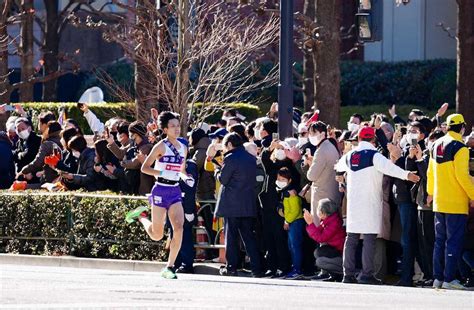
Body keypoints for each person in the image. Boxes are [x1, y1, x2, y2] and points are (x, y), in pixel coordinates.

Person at [335, 126, 420, 285]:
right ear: (373, 139)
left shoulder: (349, 156)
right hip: (370, 204)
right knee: (369, 239)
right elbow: (391, 169)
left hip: (353, 204)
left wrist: (342, 176)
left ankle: (348, 275)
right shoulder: (374, 156)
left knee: (351, 238)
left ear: (359, 139)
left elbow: (337, 167)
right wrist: (408, 175)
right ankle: (367, 274)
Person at [125, 111, 192, 280]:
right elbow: (145, 168)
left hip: (175, 190)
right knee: (157, 235)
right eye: (172, 126)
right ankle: (141, 216)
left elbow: (181, 170)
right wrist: (161, 171)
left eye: (178, 126)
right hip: (160, 190)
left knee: (179, 227)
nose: (177, 129)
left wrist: (186, 177)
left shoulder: (183, 147)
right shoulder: (161, 146)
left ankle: (170, 267)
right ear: (164, 129)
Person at [427, 113, 474, 290]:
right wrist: (473, 195)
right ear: (462, 127)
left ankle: (438, 278)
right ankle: (449, 279)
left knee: (440, 241)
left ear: (447, 126)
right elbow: (463, 176)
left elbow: (430, 174)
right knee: (453, 241)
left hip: (439, 201)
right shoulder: (460, 147)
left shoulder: (435, 145)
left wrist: (430, 193)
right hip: (456, 202)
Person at [215, 133, 262, 277]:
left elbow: (223, 179)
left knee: (231, 238)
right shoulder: (251, 158)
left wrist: (217, 171)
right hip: (248, 203)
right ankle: (257, 268)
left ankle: (231, 268)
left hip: (231, 205)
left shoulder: (230, 158)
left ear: (229, 144)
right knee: (248, 237)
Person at [305, 121, 341, 225]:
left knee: (321, 228)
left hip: (322, 195)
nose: (311, 136)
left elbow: (311, 176)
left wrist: (310, 164)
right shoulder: (331, 146)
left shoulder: (321, 150)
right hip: (333, 192)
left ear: (322, 134)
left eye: (313, 133)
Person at [304, 198, 346, 282]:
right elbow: (317, 233)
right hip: (335, 251)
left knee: (320, 261)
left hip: (340, 254)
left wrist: (310, 224)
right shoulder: (327, 220)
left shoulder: (334, 222)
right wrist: (310, 224)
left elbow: (321, 238)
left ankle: (342, 272)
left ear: (323, 212)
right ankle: (334, 274)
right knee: (318, 252)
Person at [275, 167, 305, 280]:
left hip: (295, 222)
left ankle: (297, 269)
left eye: (283, 179)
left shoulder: (292, 192)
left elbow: (295, 210)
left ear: (289, 180)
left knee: (295, 246)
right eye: (278, 179)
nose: (279, 181)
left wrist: (287, 220)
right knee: (291, 247)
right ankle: (294, 268)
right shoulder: (283, 192)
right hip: (290, 222)